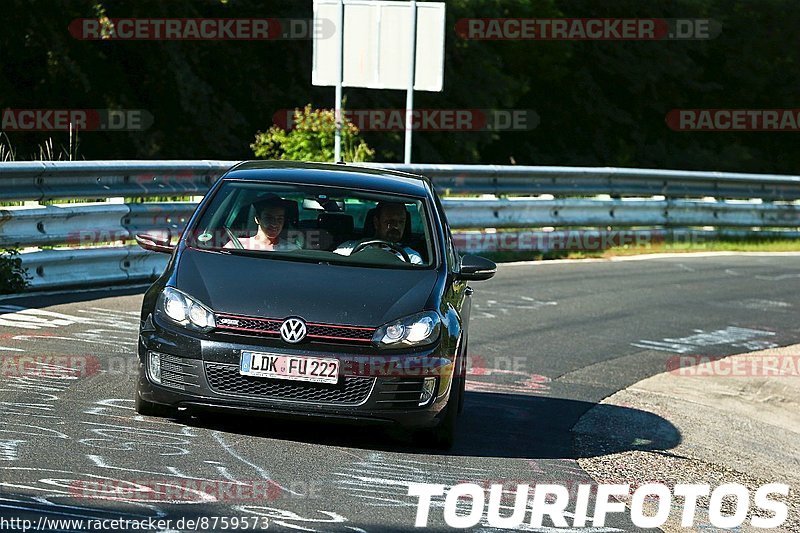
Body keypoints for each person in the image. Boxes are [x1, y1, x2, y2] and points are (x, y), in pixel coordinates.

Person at [334, 201, 423, 264]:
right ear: (377, 223)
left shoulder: (412, 258)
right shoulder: (349, 250)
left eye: (401, 222)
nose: (396, 226)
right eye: (390, 221)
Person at [224, 196, 301, 251]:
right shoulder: (236, 246)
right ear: (257, 219)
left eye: (279, 219)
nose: (274, 224)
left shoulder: (292, 250)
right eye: (269, 218)